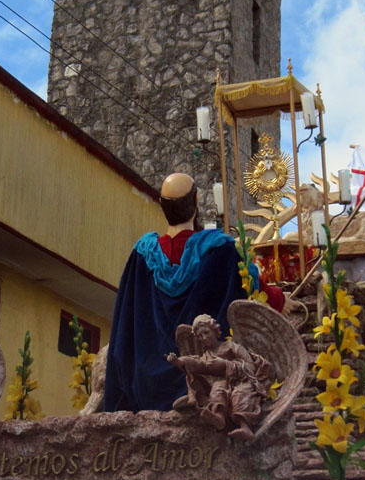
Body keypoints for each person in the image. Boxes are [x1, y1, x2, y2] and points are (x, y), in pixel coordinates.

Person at [104, 173, 285, 412]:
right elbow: (252, 288)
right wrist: (282, 299)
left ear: (161, 204)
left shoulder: (141, 256)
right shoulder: (221, 250)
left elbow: (123, 329)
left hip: (146, 387)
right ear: (197, 200)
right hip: (208, 381)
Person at [166, 314, 272, 441]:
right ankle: (218, 416)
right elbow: (196, 364)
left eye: (206, 332)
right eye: (200, 336)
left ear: (215, 330)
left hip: (243, 382)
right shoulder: (206, 356)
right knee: (218, 387)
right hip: (224, 385)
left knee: (239, 394)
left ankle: (245, 427)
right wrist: (178, 361)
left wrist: (226, 364)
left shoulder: (231, 346)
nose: (204, 338)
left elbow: (251, 367)